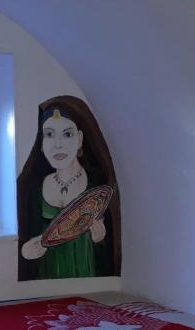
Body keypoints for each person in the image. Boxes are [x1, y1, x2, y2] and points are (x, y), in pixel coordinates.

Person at [17, 95, 121, 280]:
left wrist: (100, 240)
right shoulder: (32, 188)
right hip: (45, 286)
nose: (58, 144)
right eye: (49, 134)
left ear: (80, 139)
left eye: (67, 134)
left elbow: (113, 255)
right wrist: (26, 252)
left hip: (88, 284)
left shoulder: (98, 186)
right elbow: (24, 238)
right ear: (41, 142)